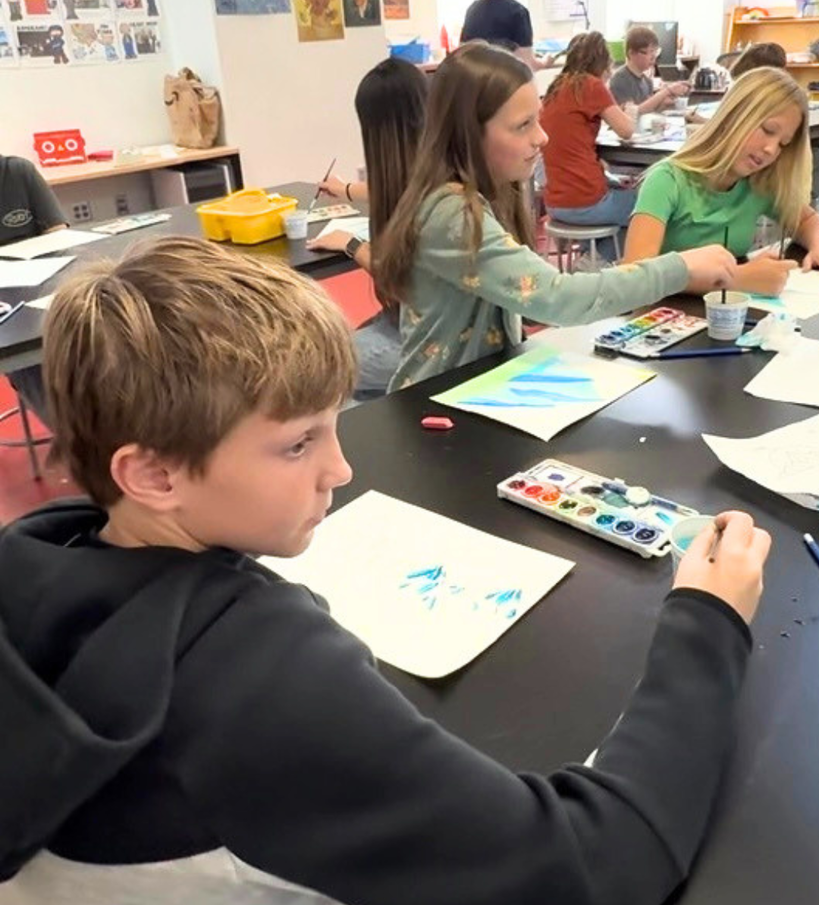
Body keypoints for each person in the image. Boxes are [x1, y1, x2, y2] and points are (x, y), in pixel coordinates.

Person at [0, 233, 770, 905]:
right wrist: (708, 620)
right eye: (297, 444)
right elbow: (593, 866)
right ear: (152, 475)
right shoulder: (253, 675)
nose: (339, 469)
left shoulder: (39, 558)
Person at [377, 42, 736, 391]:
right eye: (523, 125)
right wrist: (679, 269)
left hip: (479, 389)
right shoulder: (451, 212)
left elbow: (527, 302)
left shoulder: (489, 195)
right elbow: (555, 298)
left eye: (538, 119)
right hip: (433, 404)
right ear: (468, 133)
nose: (542, 137)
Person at [624, 66, 819, 294]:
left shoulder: (758, 184)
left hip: (728, 310)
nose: (771, 149)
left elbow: (805, 219)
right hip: (665, 310)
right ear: (734, 115)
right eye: (767, 130)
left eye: (783, 144)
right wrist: (736, 279)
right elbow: (634, 276)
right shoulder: (667, 180)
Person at [307, 58, 429, 397]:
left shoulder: (430, 198)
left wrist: (351, 244)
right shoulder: (433, 171)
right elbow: (396, 183)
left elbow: (407, 281)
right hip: (413, 325)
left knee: (317, 371)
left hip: (424, 338)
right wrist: (346, 189)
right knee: (333, 350)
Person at [538, 30, 640, 262]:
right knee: (648, 206)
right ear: (603, 62)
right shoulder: (591, 85)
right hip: (584, 201)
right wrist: (628, 111)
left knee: (619, 190)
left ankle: (589, 257)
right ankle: (594, 261)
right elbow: (626, 130)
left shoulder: (556, 87)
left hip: (555, 201)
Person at [0, 154, 68, 421]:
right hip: (8, 319)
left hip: (41, 289)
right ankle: (75, 432)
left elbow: (59, 235)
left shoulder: (18, 171)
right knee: (37, 366)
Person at [609, 25, 689, 115]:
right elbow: (632, 113)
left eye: (654, 51)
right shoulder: (620, 79)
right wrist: (666, 91)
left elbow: (648, 111)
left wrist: (664, 103)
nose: (653, 57)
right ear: (631, 53)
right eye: (647, 52)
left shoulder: (647, 81)